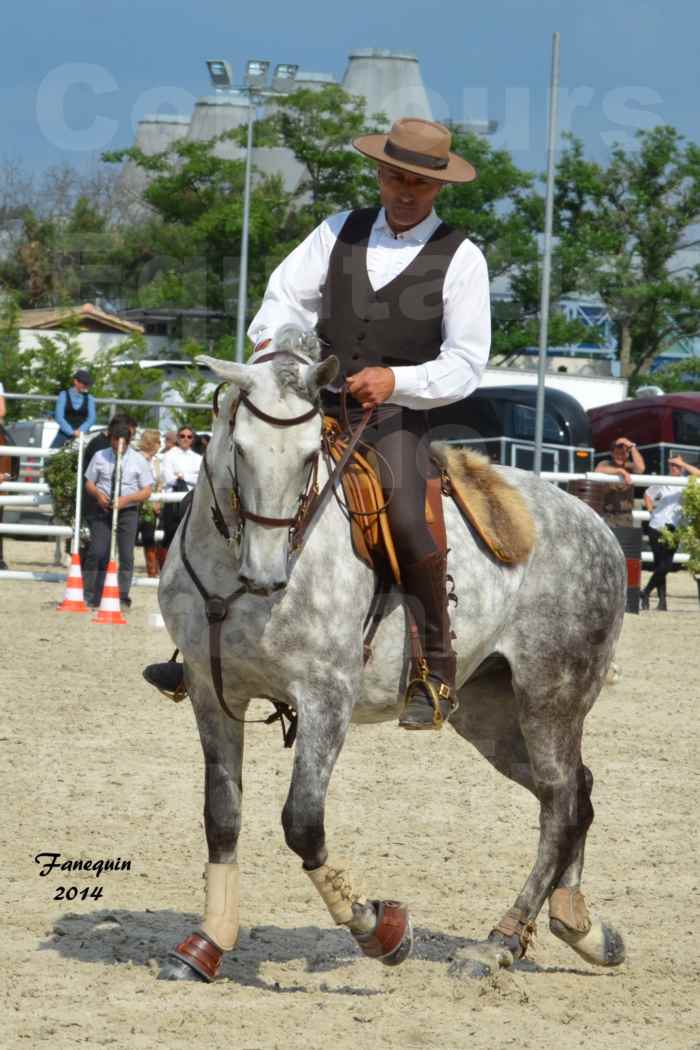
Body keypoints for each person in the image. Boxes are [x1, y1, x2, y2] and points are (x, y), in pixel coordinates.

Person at [144, 118, 491, 728]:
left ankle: (433, 668)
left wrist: (396, 380)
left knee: (409, 517)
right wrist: (279, 361)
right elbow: (282, 301)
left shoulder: (461, 258)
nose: (405, 191)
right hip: (311, 400)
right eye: (394, 177)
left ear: (438, 187)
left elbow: (467, 361)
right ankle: (194, 645)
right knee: (229, 474)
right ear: (380, 174)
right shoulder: (337, 231)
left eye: (418, 183)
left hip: (392, 417)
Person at [83, 421, 153, 608]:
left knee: (126, 555)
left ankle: (122, 595)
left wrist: (127, 499)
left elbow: (147, 491)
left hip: (128, 511)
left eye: (123, 442)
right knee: (97, 551)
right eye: (115, 441)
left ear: (129, 441)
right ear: (111, 438)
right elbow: (89, 482)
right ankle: (90, 594)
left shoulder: (139, 460)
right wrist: (98, 495)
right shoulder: (100, 456)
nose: (119, 446)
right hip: (102, 509)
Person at [641, 455, 700, 610]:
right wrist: (650, 509)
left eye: (677, 465)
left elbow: (699, 474)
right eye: (672, 465)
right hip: (657, 525)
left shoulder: (688, 482)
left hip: (675, 528)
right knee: (661, 564)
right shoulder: (663, 480)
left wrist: (683, 463)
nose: (675, 467)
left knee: (666, 565)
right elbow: (647, 495)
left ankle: (645, 592)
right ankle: (662, 602)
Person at [159, 425, 202, 551]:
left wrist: (182, 476)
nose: (185, 439)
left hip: (191, 500)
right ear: (177, 438)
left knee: (190, 536)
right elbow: (168, 478)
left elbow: (200, 479)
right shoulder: (169, 455)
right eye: (182, 436)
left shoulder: (198, 458)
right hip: (172, 501)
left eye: (189, 436)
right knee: (170, 536)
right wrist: (190, 476)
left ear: (193, 439)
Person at [595, 437, 646, 526]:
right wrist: (620, 471)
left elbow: (641, 468)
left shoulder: (630, 466)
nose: (620, 456)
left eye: (623, 453)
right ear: (612, 454)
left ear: (627, 454)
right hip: (608, 515)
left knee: (624, 540)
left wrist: (632, 447)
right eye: (617, 453)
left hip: (626, 516)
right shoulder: (606, 464)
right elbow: (598, 470)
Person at [136, 429, 163, 577]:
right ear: (151, 442)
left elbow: (159, 483)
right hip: (137, 501)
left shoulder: (156, 461)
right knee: (131, 536)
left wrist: (158, 501)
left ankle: (152, 570)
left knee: (149, 537)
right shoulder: (136, 458)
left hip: (152, 505)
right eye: (158, 441)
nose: (160, 444)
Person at [51, 369, 97, 448]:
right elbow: (59, 417)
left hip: (83, 434)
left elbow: (92, 418)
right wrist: (71, 432)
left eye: (88, 384)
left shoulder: (90, 398)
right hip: (64, 433)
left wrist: (80, 431)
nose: (87, 386)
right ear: (75, 381)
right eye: (84, 383)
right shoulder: (63, 395)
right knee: (50, 457)